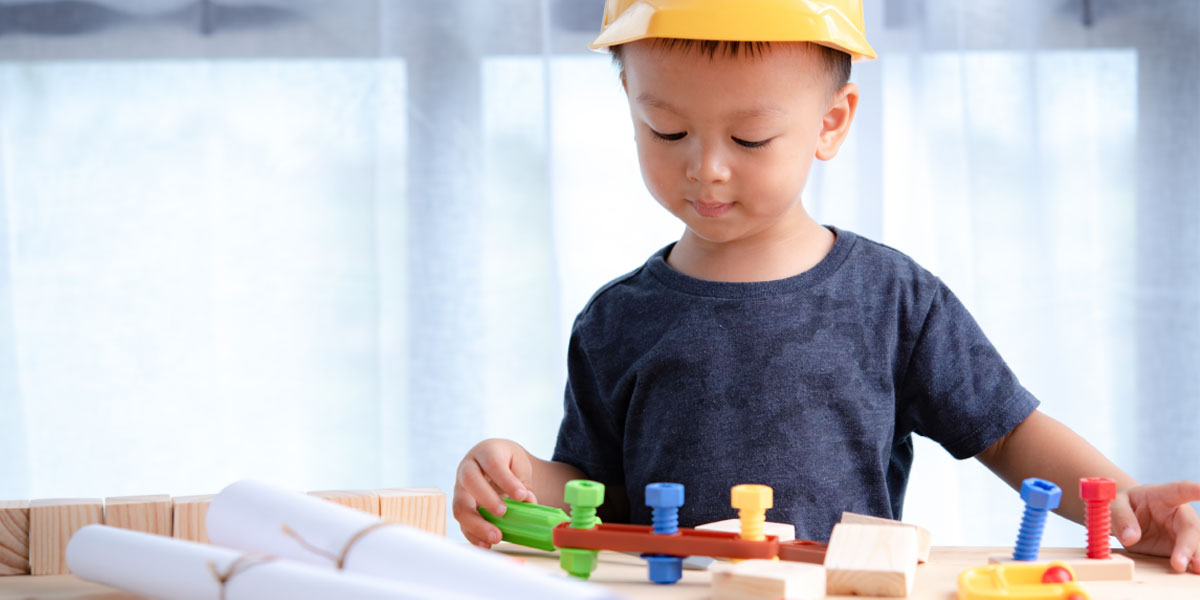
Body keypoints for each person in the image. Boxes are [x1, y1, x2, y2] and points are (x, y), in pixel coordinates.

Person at [453, 0, 1200, 573]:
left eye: (749, 140)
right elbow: (598, 492)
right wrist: (516, 480)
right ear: (630, 106)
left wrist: (1129, 507)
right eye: (667, 131)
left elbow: (1007, 431)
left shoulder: (892, 298)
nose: (706, 167)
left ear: (830, 123)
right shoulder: (615, 321)